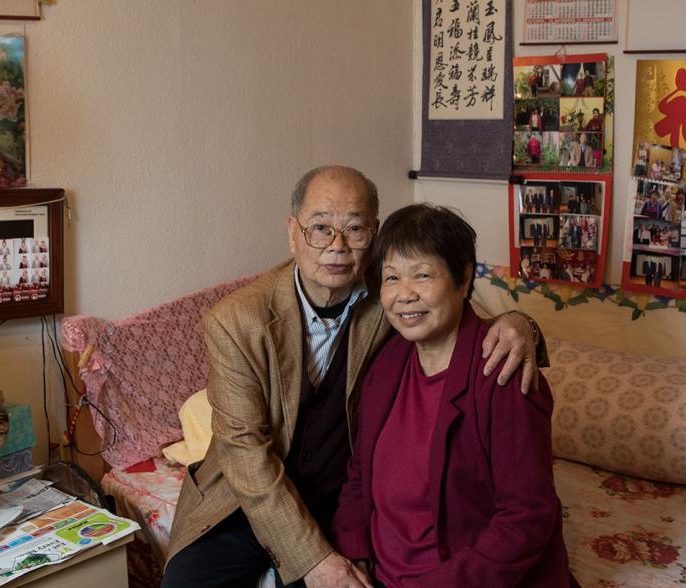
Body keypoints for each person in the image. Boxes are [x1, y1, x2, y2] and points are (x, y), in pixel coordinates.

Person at [162, 166, 543, 588]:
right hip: (243, 499)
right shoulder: (236, 321)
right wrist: (316, 560)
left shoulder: (390, 299)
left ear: (374, 234)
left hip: (334, 496)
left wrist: (520, 323)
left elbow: (456, 318)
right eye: (320, 228)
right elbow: (245, 456)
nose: (337, 247)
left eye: (355, 229)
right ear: (293, 232)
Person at [331, 205, 572, 587]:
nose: (404, 295)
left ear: (462, 279)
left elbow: (527, 518)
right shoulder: (387, 362)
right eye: (392, 277)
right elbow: (360, 477)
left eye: (423, 275)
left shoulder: (500, 371)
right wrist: (354, 556)